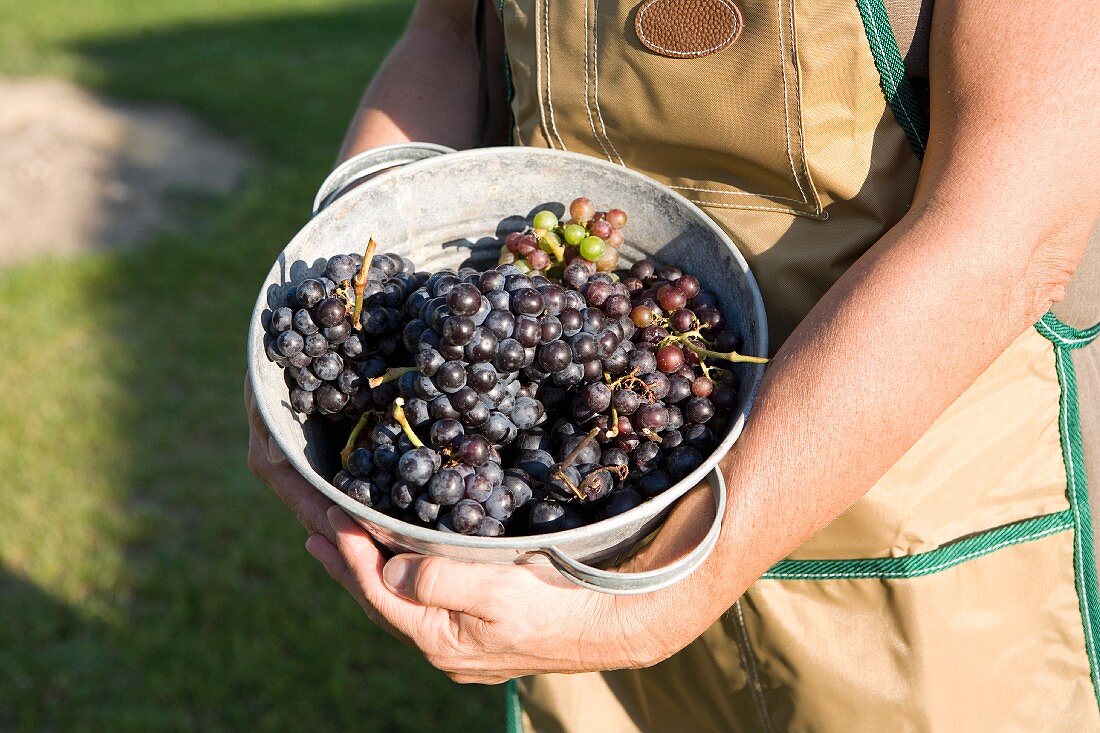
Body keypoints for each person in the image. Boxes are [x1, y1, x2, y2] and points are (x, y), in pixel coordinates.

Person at [246, 0, 1100, 729]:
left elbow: (1009, 226)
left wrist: (680, 585)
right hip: (582, 525)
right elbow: (446, 36)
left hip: (909, 547)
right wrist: (330, 321)